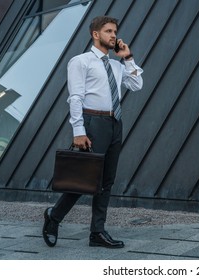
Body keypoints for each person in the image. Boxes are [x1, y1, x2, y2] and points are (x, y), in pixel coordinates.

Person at [42, 16, 143, 248]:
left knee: (107, 181)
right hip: (92, 122)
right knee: (84, 179)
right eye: (108, 31)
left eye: (115, 31)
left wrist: (128, 58)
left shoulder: (117, 65)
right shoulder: (80, 61)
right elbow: (75, 97)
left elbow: (137, 86)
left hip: (114, 123)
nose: (113, 36)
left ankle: (97, 232)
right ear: (95, 34)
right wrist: (78, 130)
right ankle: (54, 217)